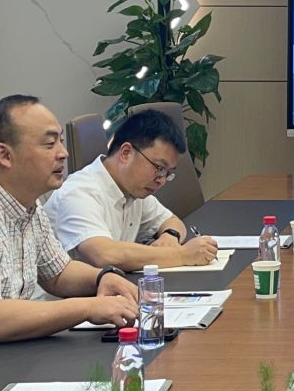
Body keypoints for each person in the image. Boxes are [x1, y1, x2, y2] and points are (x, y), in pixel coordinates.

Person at [0, 94, 142, 345]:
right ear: (4, 155)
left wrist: (103, 278)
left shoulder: (27, 204)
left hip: (13, 352)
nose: (63, 153)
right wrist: (88, 307)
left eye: (61, 141)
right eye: (49, 144)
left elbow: (58, 273)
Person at [45, 107, 221, 272]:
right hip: (67, 294)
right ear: (126, 153)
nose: (161, 180)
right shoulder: (78, 193)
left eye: (168, 173)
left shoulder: (131, 189)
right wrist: (181, 255)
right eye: (159, 168)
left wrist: (170, 236)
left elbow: (172, 221)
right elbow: (104, 255)